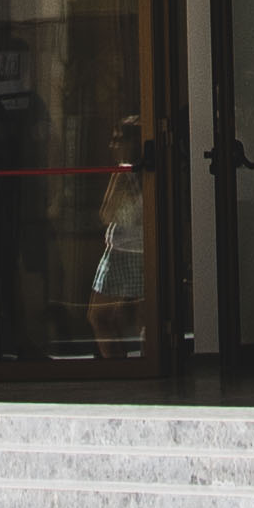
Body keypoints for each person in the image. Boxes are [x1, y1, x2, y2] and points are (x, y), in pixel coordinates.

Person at [89, 116, 155, 360]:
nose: (111, 145)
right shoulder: (144, 172)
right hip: (140, 248)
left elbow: (107, 213)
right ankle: (141, 360)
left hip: (123, 251)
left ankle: (116, 364)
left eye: (118, 139)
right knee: (142, 317)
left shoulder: (126, 171)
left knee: (99, 316)